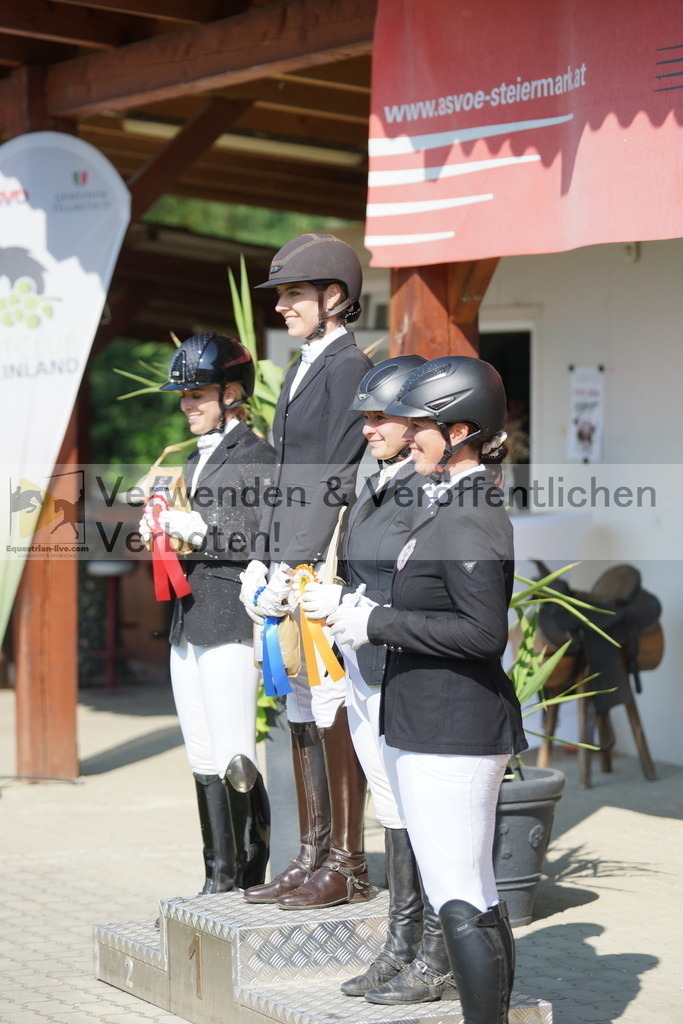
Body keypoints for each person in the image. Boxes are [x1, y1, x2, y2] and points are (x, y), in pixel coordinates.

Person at [326, 355, 528, 1024]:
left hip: (453, 724)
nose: (407, 437)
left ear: (462, 430)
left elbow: (480, 633)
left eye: (421, 427)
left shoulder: (470, 511)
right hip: (426, 721)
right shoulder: (446, 501)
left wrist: (375, 621)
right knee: (465, 891)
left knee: (462, 895)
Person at [300, 354, 459, 1005]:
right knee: (392, 810)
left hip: (401, 666)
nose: (367, 428)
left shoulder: (427, 489)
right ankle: (400, 943)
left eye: (378, 417)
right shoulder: (375, 482)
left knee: (419, 813)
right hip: (360, 663)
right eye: (364, 418)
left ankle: (436, 953)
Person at [239, 233, 373, 909]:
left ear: (334, 297)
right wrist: (263, 557)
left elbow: (331, 475)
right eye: (281, 295)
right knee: (295, 696)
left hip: (321, 555)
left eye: (293, 293)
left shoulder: (348, 367)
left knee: (328, 701)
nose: (282, 306)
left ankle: (347, 862)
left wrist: (294, 561)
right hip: (288, 551)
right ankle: (310, 850)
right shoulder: (300, 366)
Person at [140, 332, 276, 895]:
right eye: (185, 395)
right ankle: (216, 876)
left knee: (234, 753)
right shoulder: (193, 459)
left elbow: (264, 533)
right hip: (186, 619)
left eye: (197, 394)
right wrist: (162, 529)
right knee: (200, 752)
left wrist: (202, 530)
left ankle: (248, 875)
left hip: (228, 616)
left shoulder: (258, 456)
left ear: (232, 394)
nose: (186, 404)